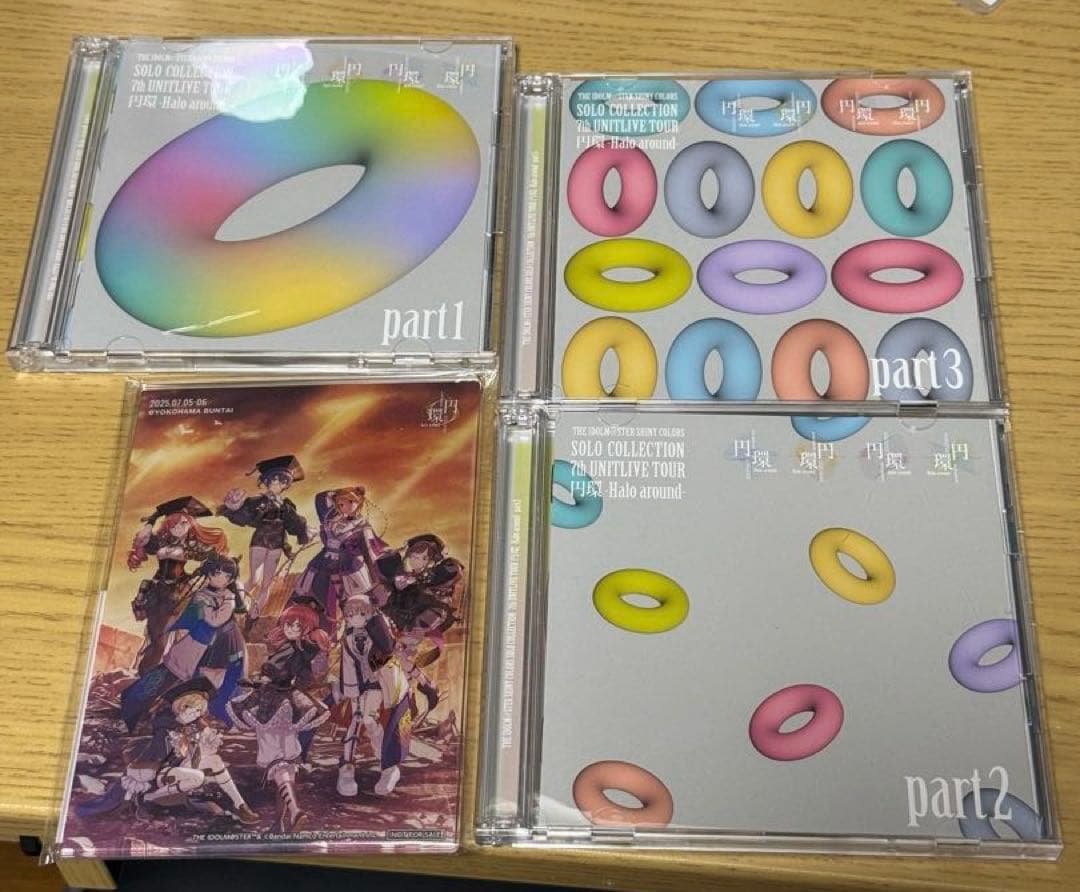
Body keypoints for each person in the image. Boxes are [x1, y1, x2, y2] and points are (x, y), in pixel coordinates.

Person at [77, 677, 258, 826]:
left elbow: (198, 748)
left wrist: (208, 740)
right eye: (192, 709)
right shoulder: (166, 724)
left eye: (199, 711)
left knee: (216, 760)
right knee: (198, 777)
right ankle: (148, 798)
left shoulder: (194, 724)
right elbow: (162, 748)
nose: (196, 714)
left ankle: (240, 805)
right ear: (181, 706)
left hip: (179, 767)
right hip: (159, 774)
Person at [227, 602, 330, 832]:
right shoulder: (300, 649)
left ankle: (294, 811)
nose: (291, 628)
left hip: (274, 705)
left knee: (277, 763)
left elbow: (280, 673)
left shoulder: (294, 649)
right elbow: (302, 678)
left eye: (298, 625)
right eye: (288, 624)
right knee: (285, 765)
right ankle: (280, 823)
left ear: (307, 628)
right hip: (286, 704)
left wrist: (261, 681)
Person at [119, 555, 247, 732]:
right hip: (196, 646)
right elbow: (204, 619)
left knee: (217, 685)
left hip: (222, 647)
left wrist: (216, 603)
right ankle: (130, 711)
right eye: (218, 573)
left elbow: (222, 618)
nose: (222, 579)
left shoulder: (228, 596)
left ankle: (216, 720)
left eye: (227, 576)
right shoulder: (201, 595)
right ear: (210, 574)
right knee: (162, 678)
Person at [127, 497, 228, 676]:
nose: (179, 528)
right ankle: (145, 671)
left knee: (163, 635)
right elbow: (144, 540)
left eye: (183, 524)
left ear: (191, 525)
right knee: (154, 632)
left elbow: (212, 555)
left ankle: (150, 671)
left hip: (178, 590)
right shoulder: (160, 542)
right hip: (156, 590)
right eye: (174, 525)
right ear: (168, 526)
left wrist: (208, 566)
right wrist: (152, 520)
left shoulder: (191, 545)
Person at [333, 594, 410, 797]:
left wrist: (376, 621)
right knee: (358, 718)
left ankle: (388, 766)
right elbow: (348, 664)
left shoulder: (379, 628)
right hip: (362, 683)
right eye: (350, 614)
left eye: (360, 612)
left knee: (372, 719)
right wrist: (352, 691)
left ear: (369, 613)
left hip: (384, 681)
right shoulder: (348, 637)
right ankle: (347, 767)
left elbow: (388, 648)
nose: (354, 617)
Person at [219, 455, 309, 622]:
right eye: (273, 480)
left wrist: (303, 532)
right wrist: (233, 507)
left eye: (282, 481)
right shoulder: (256, 501)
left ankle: (253, 617)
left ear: (286, 484)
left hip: (277, 544)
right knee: (254, 579)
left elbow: (294, 524)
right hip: (260, 540)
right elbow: (244, 516)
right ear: (266, 481)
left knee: (266, 584)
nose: (277, 484)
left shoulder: (287, 506)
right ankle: (233, 606)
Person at [289, 486, 388, 630]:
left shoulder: (362, 525)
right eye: (341, 504)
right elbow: (320, 498)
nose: (345, 506)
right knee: (315, 595)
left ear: (359, 502)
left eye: (350, 502)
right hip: (325, 562)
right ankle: (319, 629)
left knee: (356, 603)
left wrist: (376, 576)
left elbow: (369, 551)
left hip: (351, 566)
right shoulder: (332, 522)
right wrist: (336, 493)